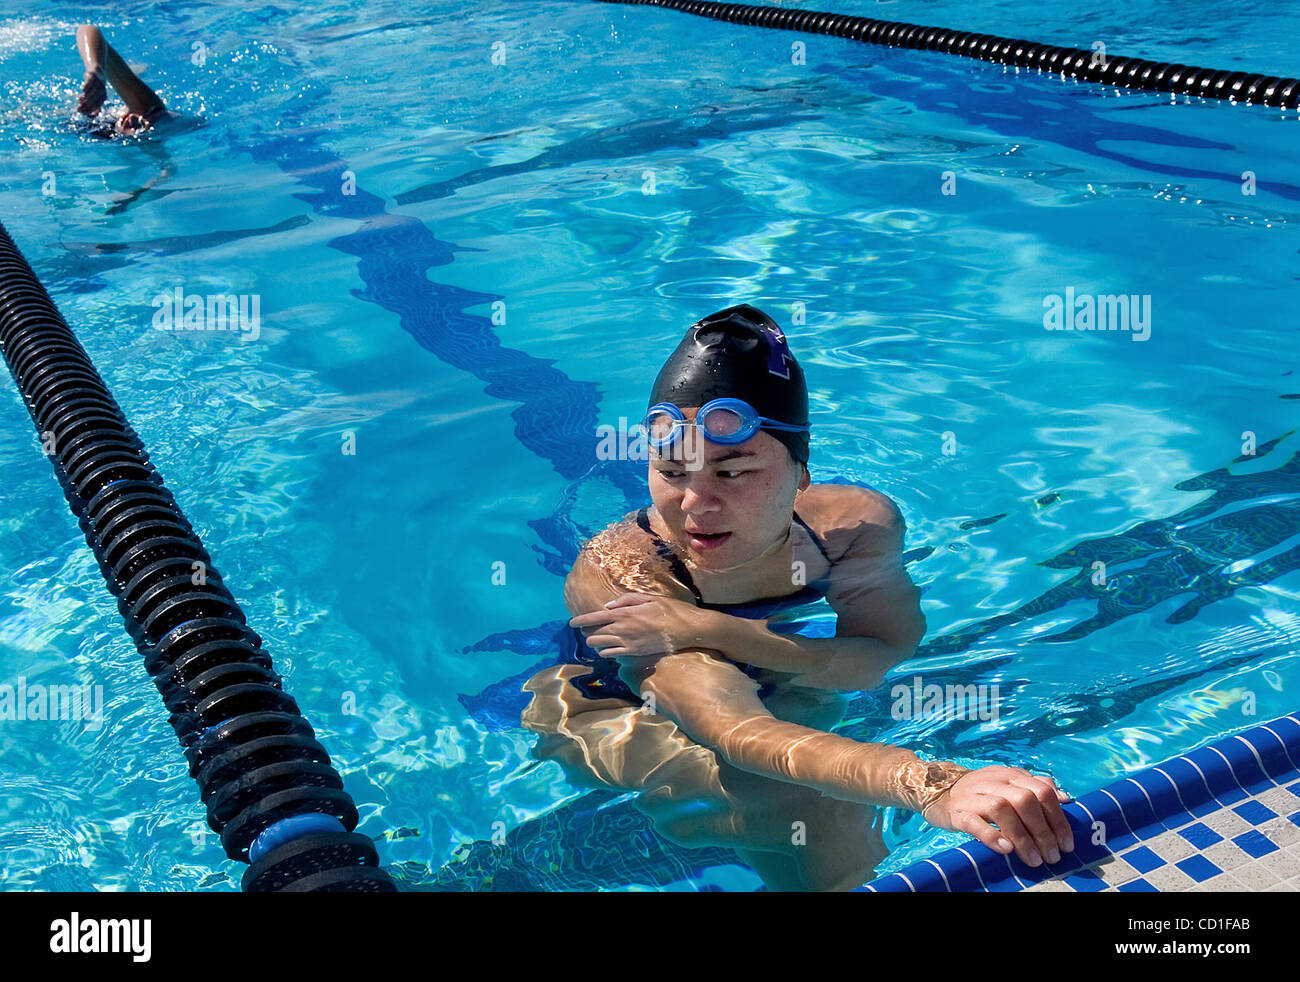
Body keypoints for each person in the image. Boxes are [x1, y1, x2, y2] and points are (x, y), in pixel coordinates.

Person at [523, 304, 1075, 890]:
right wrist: (933, 783)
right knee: (819, 805)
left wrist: (711, 629)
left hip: (756, 676)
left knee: (817, 713)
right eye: (673, 471)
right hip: (607, 712)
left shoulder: (853, 525)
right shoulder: (622, 574)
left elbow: (878, 656)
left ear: (800, 474)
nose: (694, 505)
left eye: (732, 472)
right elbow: (734, 731)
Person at [74, 24, 177, 136]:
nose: (133, 122)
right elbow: (86, 29)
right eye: (140, 122)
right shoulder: (149, 110)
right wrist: (96, 71)